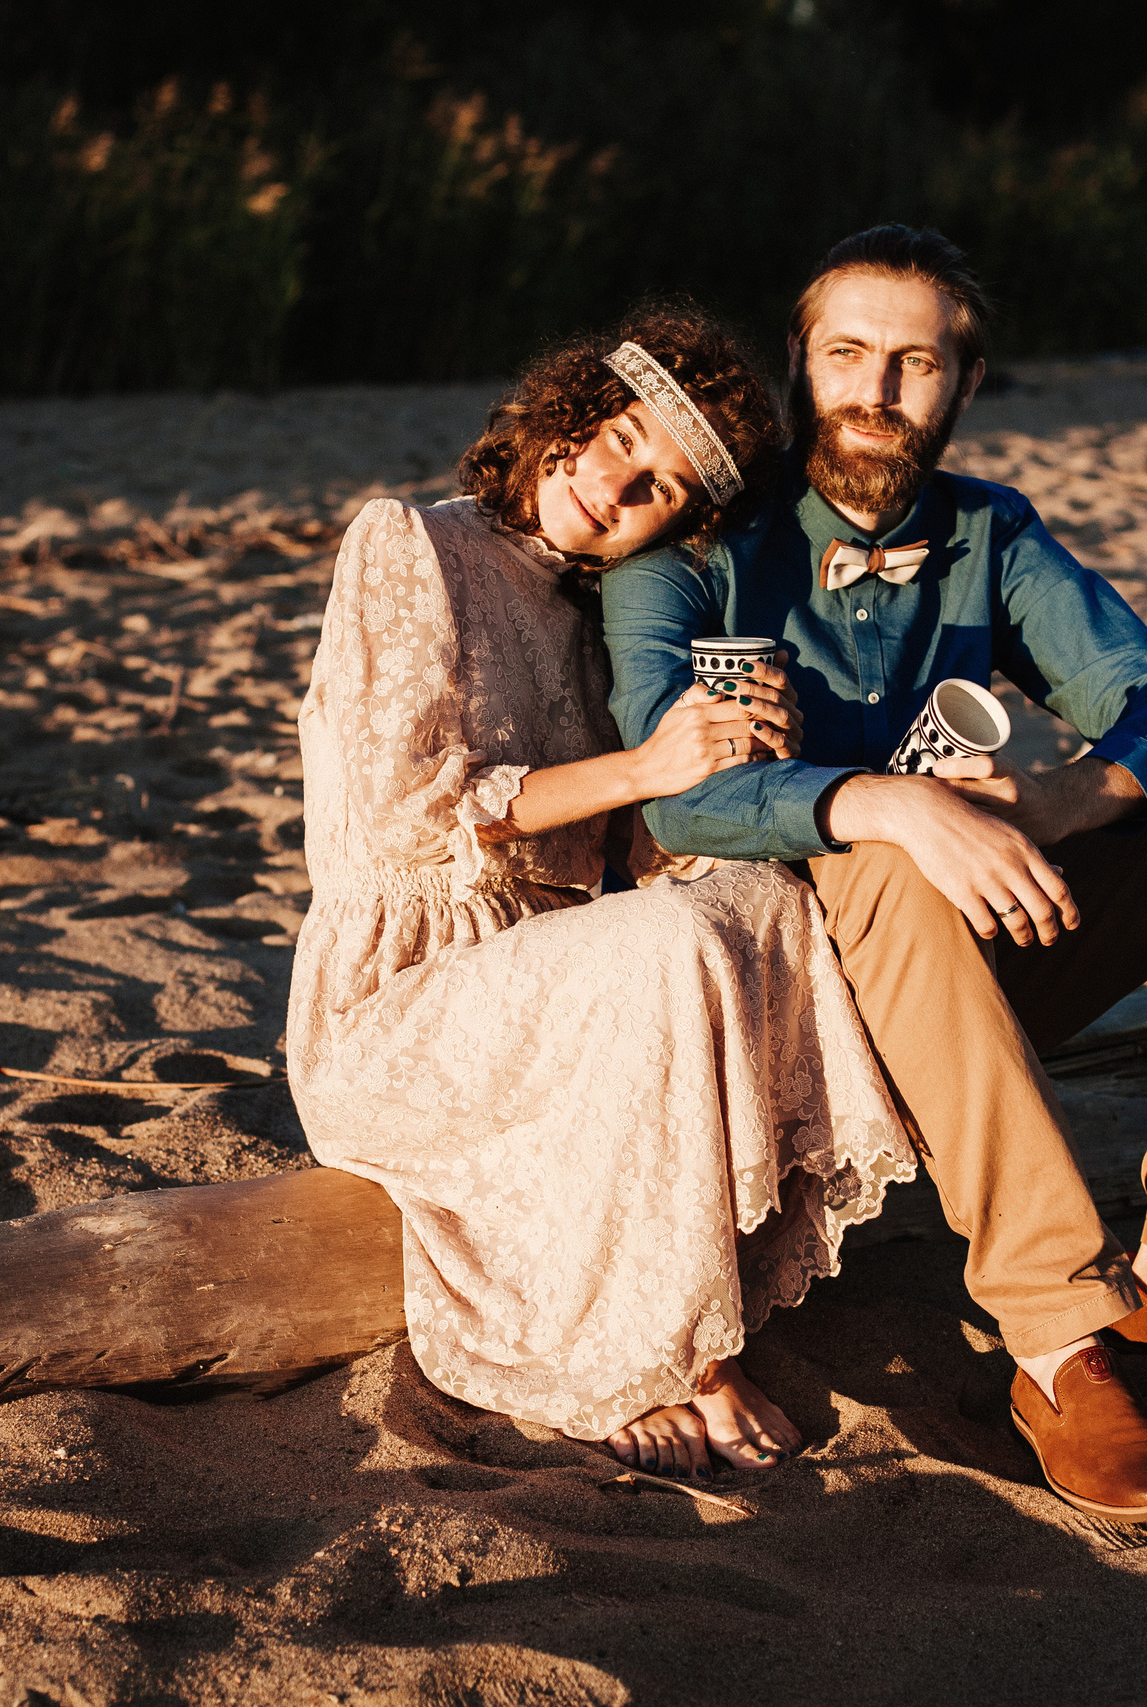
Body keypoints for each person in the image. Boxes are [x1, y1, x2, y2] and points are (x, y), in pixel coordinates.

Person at [603, 227, 1147, 1526]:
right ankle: (1055, 1337)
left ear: (964, 383)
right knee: (892, 857)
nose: (876, 387)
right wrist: (888, 801)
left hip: (982, 966)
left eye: (916, 361)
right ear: (800, 362)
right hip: (786, 1010)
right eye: (846, 352)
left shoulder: (989, 532)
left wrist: (1078, 787)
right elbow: (673, 787)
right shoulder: (698, 536)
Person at [286, 302, 915, 1479]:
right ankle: (657, 1350)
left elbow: (615, 864)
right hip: (395, 1009)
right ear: (571, 411)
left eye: (664, 491)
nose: (619, 490)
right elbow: (403, 813)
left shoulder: (602, 614)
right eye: (623, 440)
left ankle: (687, 1302)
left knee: (758, 903)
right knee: (662, 946)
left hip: (548, 984)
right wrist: (641, 767)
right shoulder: (408, 545)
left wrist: (716, 774)